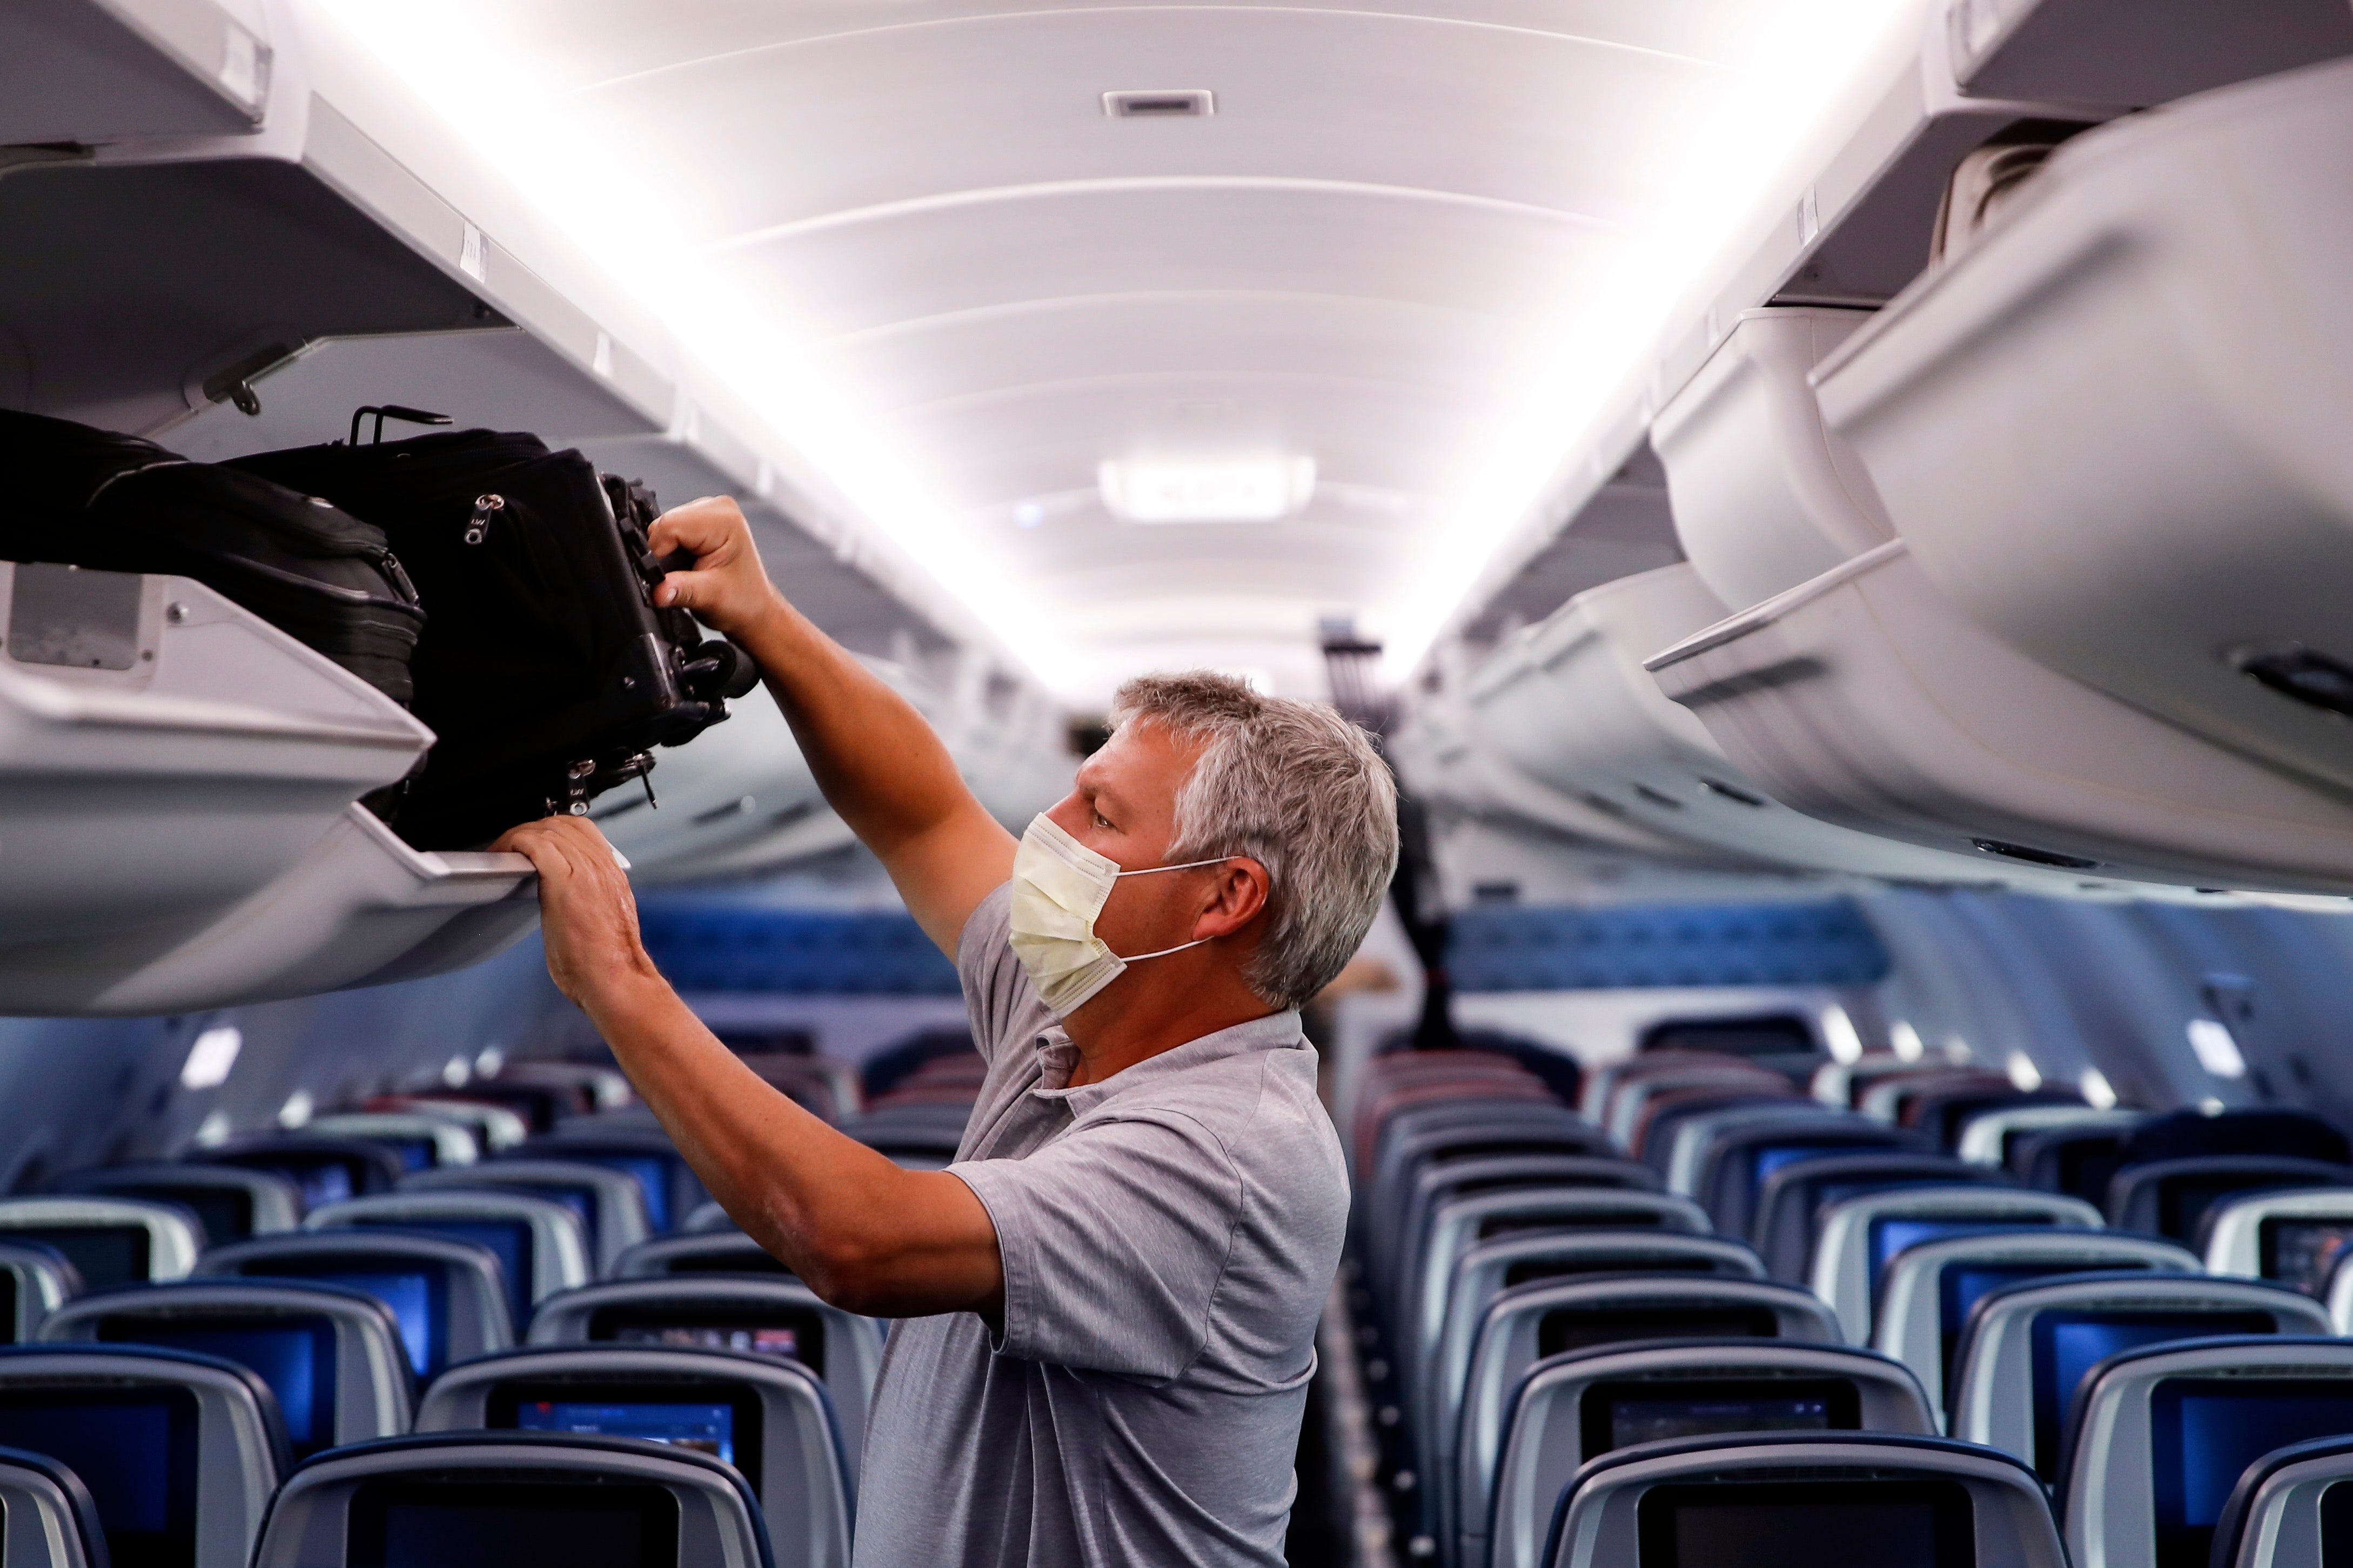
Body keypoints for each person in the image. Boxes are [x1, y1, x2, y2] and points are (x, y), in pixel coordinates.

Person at [495, 495, 1400, 1567]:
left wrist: (617, 981)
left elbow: (853, 1238)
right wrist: (763, 618)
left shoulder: (1236, 1154)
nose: (1043, 835)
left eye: (1099, 816)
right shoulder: (1083, 1010)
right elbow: (922, 812)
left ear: (1222, 899)